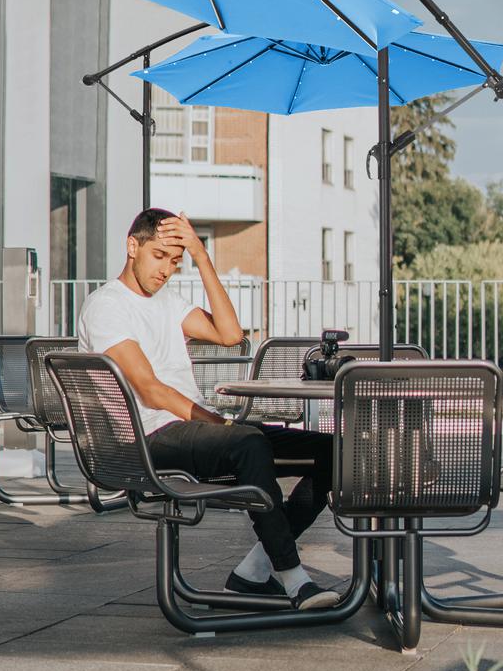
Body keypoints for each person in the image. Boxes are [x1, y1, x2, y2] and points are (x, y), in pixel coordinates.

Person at [77, 207, 338, 611]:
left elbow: (230, 334)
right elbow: (150, 391)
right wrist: (218, 422)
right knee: (249, 441)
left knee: (336, 453)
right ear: (133, 247)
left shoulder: (167, 301)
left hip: (187, 429)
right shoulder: (107, 307)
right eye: (159, 256)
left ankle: (252, 572)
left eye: (175, 262)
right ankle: (293, 578)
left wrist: (201, 256)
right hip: (147, 438)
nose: (166, 270)